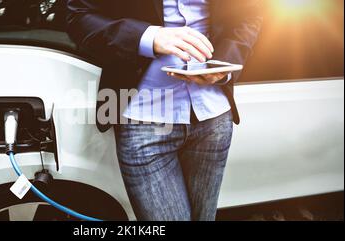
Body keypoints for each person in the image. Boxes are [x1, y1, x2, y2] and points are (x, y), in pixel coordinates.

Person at [67, 0, 263, 221]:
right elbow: (79, 16)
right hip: (143, 119)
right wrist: (148, 37)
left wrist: (225, 64)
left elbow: (250, 13)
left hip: (213, 116)